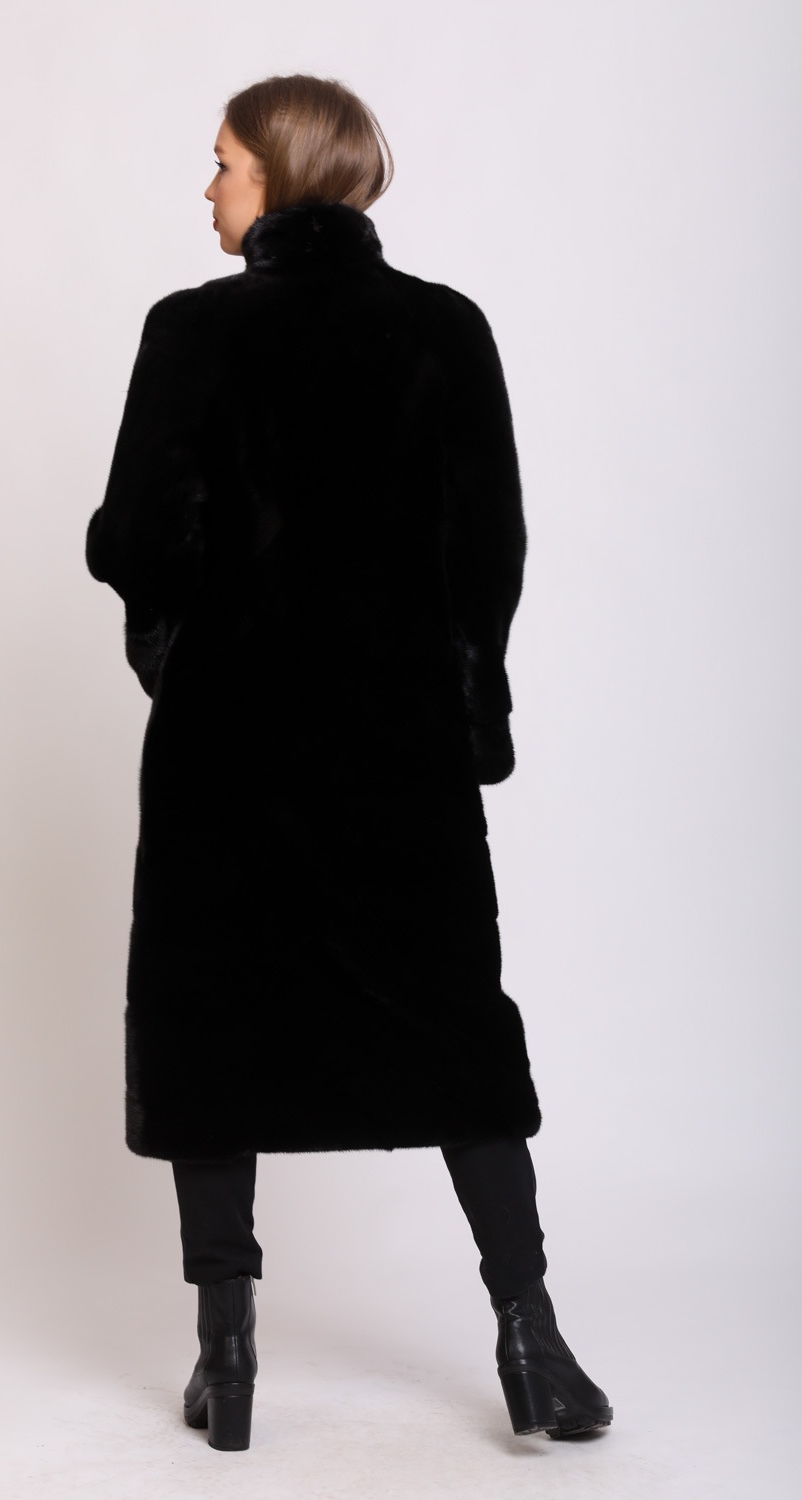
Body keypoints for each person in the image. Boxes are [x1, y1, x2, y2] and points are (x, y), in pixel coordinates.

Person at [85, 73, 612, 1454]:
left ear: (277, 172)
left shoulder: (193, 332)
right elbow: (488, 552)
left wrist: (177, 648)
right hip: (399, 749)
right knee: (451, 1022)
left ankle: (228, 1361)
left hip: (228, 748)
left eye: (221, 163)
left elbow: (136, 538)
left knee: (212, 1020)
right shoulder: (446, 329)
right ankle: (534, 1340)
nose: (209, 188)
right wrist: (468, 711)